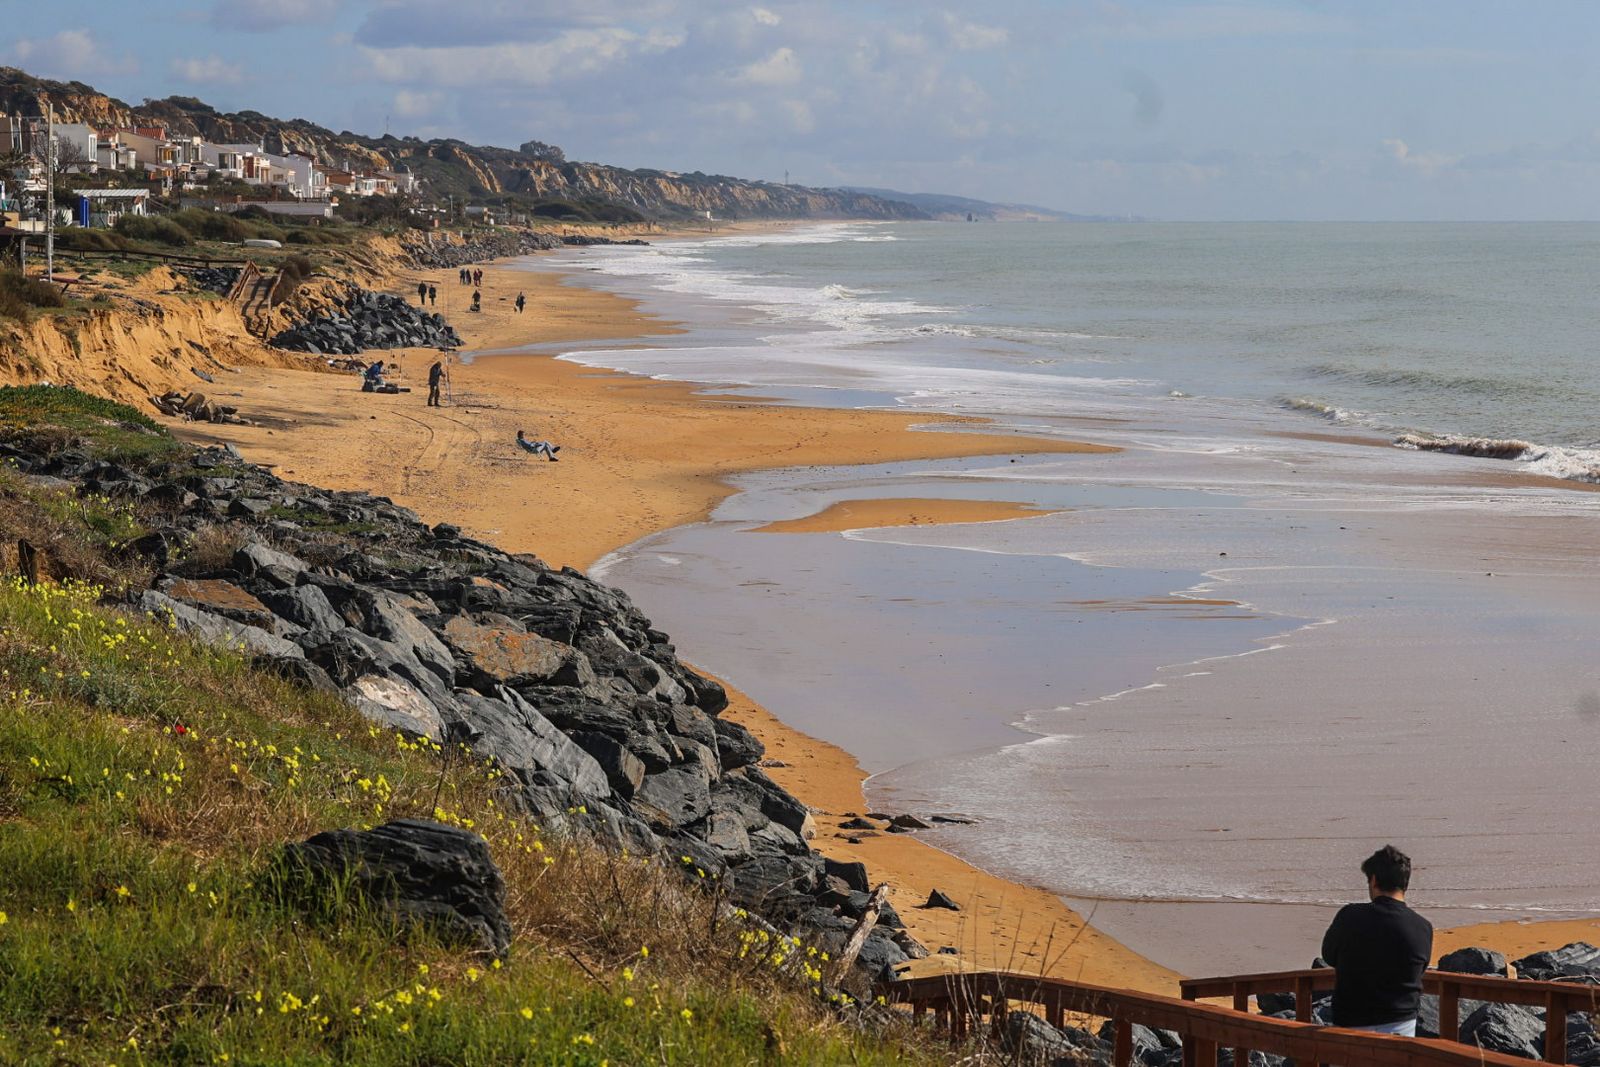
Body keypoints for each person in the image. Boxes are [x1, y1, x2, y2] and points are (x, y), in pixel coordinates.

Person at [1320, 845, 1433, 1037]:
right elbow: (1420, 969)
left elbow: (1329, 956)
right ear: (1405, 883)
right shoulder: (1423, 927)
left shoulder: (1349, 916)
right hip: (1402, 1026)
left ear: (1373, 880)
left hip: (1351, 1025)